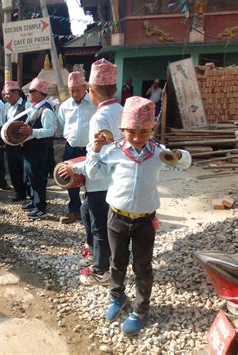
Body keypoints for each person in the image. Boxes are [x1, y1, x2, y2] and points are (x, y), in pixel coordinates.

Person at [84, 96, 191, 335]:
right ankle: (117, 297)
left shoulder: (159, 154)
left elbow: (184, 164)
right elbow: (94, 172)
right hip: (117, 218)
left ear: (152, 128)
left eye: (143, 131)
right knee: (117, 262)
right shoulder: (114, 151)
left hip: (144, 220)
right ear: (122, 129)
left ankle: (141, 309)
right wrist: (96, 149)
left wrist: (179, 155)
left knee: (142, 266)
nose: (137, 137)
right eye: (131, 131)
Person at [59, 58, 123, 285]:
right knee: (86, 211)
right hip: (115, 179)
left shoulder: (99, 117)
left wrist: (73, 167)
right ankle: (95, 255)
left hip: (100, 181)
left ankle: (101, 271)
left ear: (92, 91)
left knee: (99, 226)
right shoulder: (122, 111)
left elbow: (97, 160)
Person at [57, 71, 96, 224]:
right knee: (70, 181)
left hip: (89, 150)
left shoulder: (94, 103)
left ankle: (90, 211)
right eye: (71, 90)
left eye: (77, 90)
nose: (73, 94)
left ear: (85, 87)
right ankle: (74, 210)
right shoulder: (65, 106)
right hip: (71, 149)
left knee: (90, 181)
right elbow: (61, 123)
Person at [20, 78, 56, 220]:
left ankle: (41, 208)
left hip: (39, 150)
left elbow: (50, 131)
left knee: (38, 179)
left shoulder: (46, 110)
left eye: (32, 91)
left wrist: (32, 132)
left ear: (40, 93)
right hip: (30, 149)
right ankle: (34, 202)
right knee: (30, 177)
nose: (29, 94)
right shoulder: (34, 107)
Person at [4, 80, 31, 202]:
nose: (6, 96)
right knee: (13, 169)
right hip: (10, 144)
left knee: (26, 170)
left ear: (17, 93)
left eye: (8, 94)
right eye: (5, 94)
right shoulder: (7, 108)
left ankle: (31, 194)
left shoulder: (26, 105)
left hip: (23, 144)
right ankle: (19, 192)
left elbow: (31, 123)